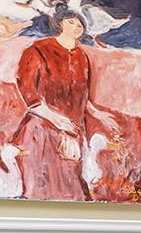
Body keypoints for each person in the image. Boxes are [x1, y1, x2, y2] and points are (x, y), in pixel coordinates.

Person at [11, 10, 123, 200]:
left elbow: (82, 97)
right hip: (42, 130)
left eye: (80, 23)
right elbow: (30, 96)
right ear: (60, 24)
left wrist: (98, 114)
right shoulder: (38, 49)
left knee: (73, 191)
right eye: (71, 22)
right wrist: (59, 121)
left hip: (72, 132)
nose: (76, 26)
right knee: (40, 188)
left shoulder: (82, 57)